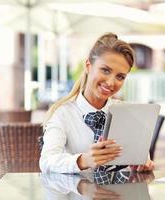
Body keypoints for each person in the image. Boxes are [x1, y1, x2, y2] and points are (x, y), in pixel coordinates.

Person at [40, 33, 155, 174]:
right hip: (77, 193)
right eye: (105, 70)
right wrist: (84, 160)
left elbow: (142, 158)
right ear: (88, 66)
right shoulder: (63, 114)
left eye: (120, 77)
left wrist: (143, 164)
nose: (111, 82)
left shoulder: (127, 113)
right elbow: (46, 161)